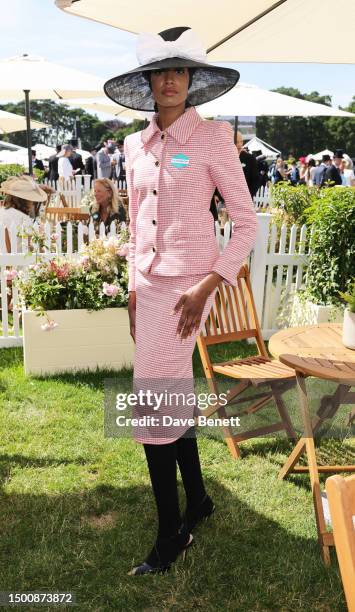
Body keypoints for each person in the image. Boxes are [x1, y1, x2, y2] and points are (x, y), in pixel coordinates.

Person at [104, 26, 257, 576]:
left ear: (191, 80)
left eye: (179, 70)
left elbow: (245, 224)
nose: (169, 80)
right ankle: (198, 501)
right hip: (147, 287)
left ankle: (171, 537)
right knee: (172, 396)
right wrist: (129, 288)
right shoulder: (133, 145)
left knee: (152, 404)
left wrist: (207, 286)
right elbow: (133, 224)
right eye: (159, 72)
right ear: (148, 82)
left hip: (190, 289)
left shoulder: (214, 138)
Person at [0, 175, 47, 252]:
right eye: (31, 200)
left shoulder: (2, 211)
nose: (33, 203)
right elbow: (29, 245)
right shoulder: (24, 219)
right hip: (17, 260)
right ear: (25, 200)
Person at [235, 131, 260, 197]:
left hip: (245, 198)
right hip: (226, 199)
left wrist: (249, 195)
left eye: (241, 141)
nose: (240, 144)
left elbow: (256, 179)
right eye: (237, 142)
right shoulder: (225, 158)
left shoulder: (250, 158)